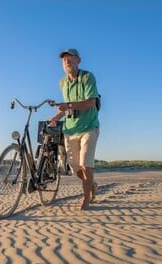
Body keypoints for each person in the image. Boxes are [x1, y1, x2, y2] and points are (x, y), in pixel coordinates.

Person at [48, 49, 100, 210]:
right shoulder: (62, 83)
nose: (66, 62)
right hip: (70, 130)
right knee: (75, 168)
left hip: (89, 127)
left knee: (86, 164)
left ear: (78, 60)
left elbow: (91, 103)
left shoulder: (87, 77)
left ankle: (86, 199)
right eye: (64, 60)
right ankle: (91, 183)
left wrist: (68, 105)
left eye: (70, 58)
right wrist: (55, 118)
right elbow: (65, 106)